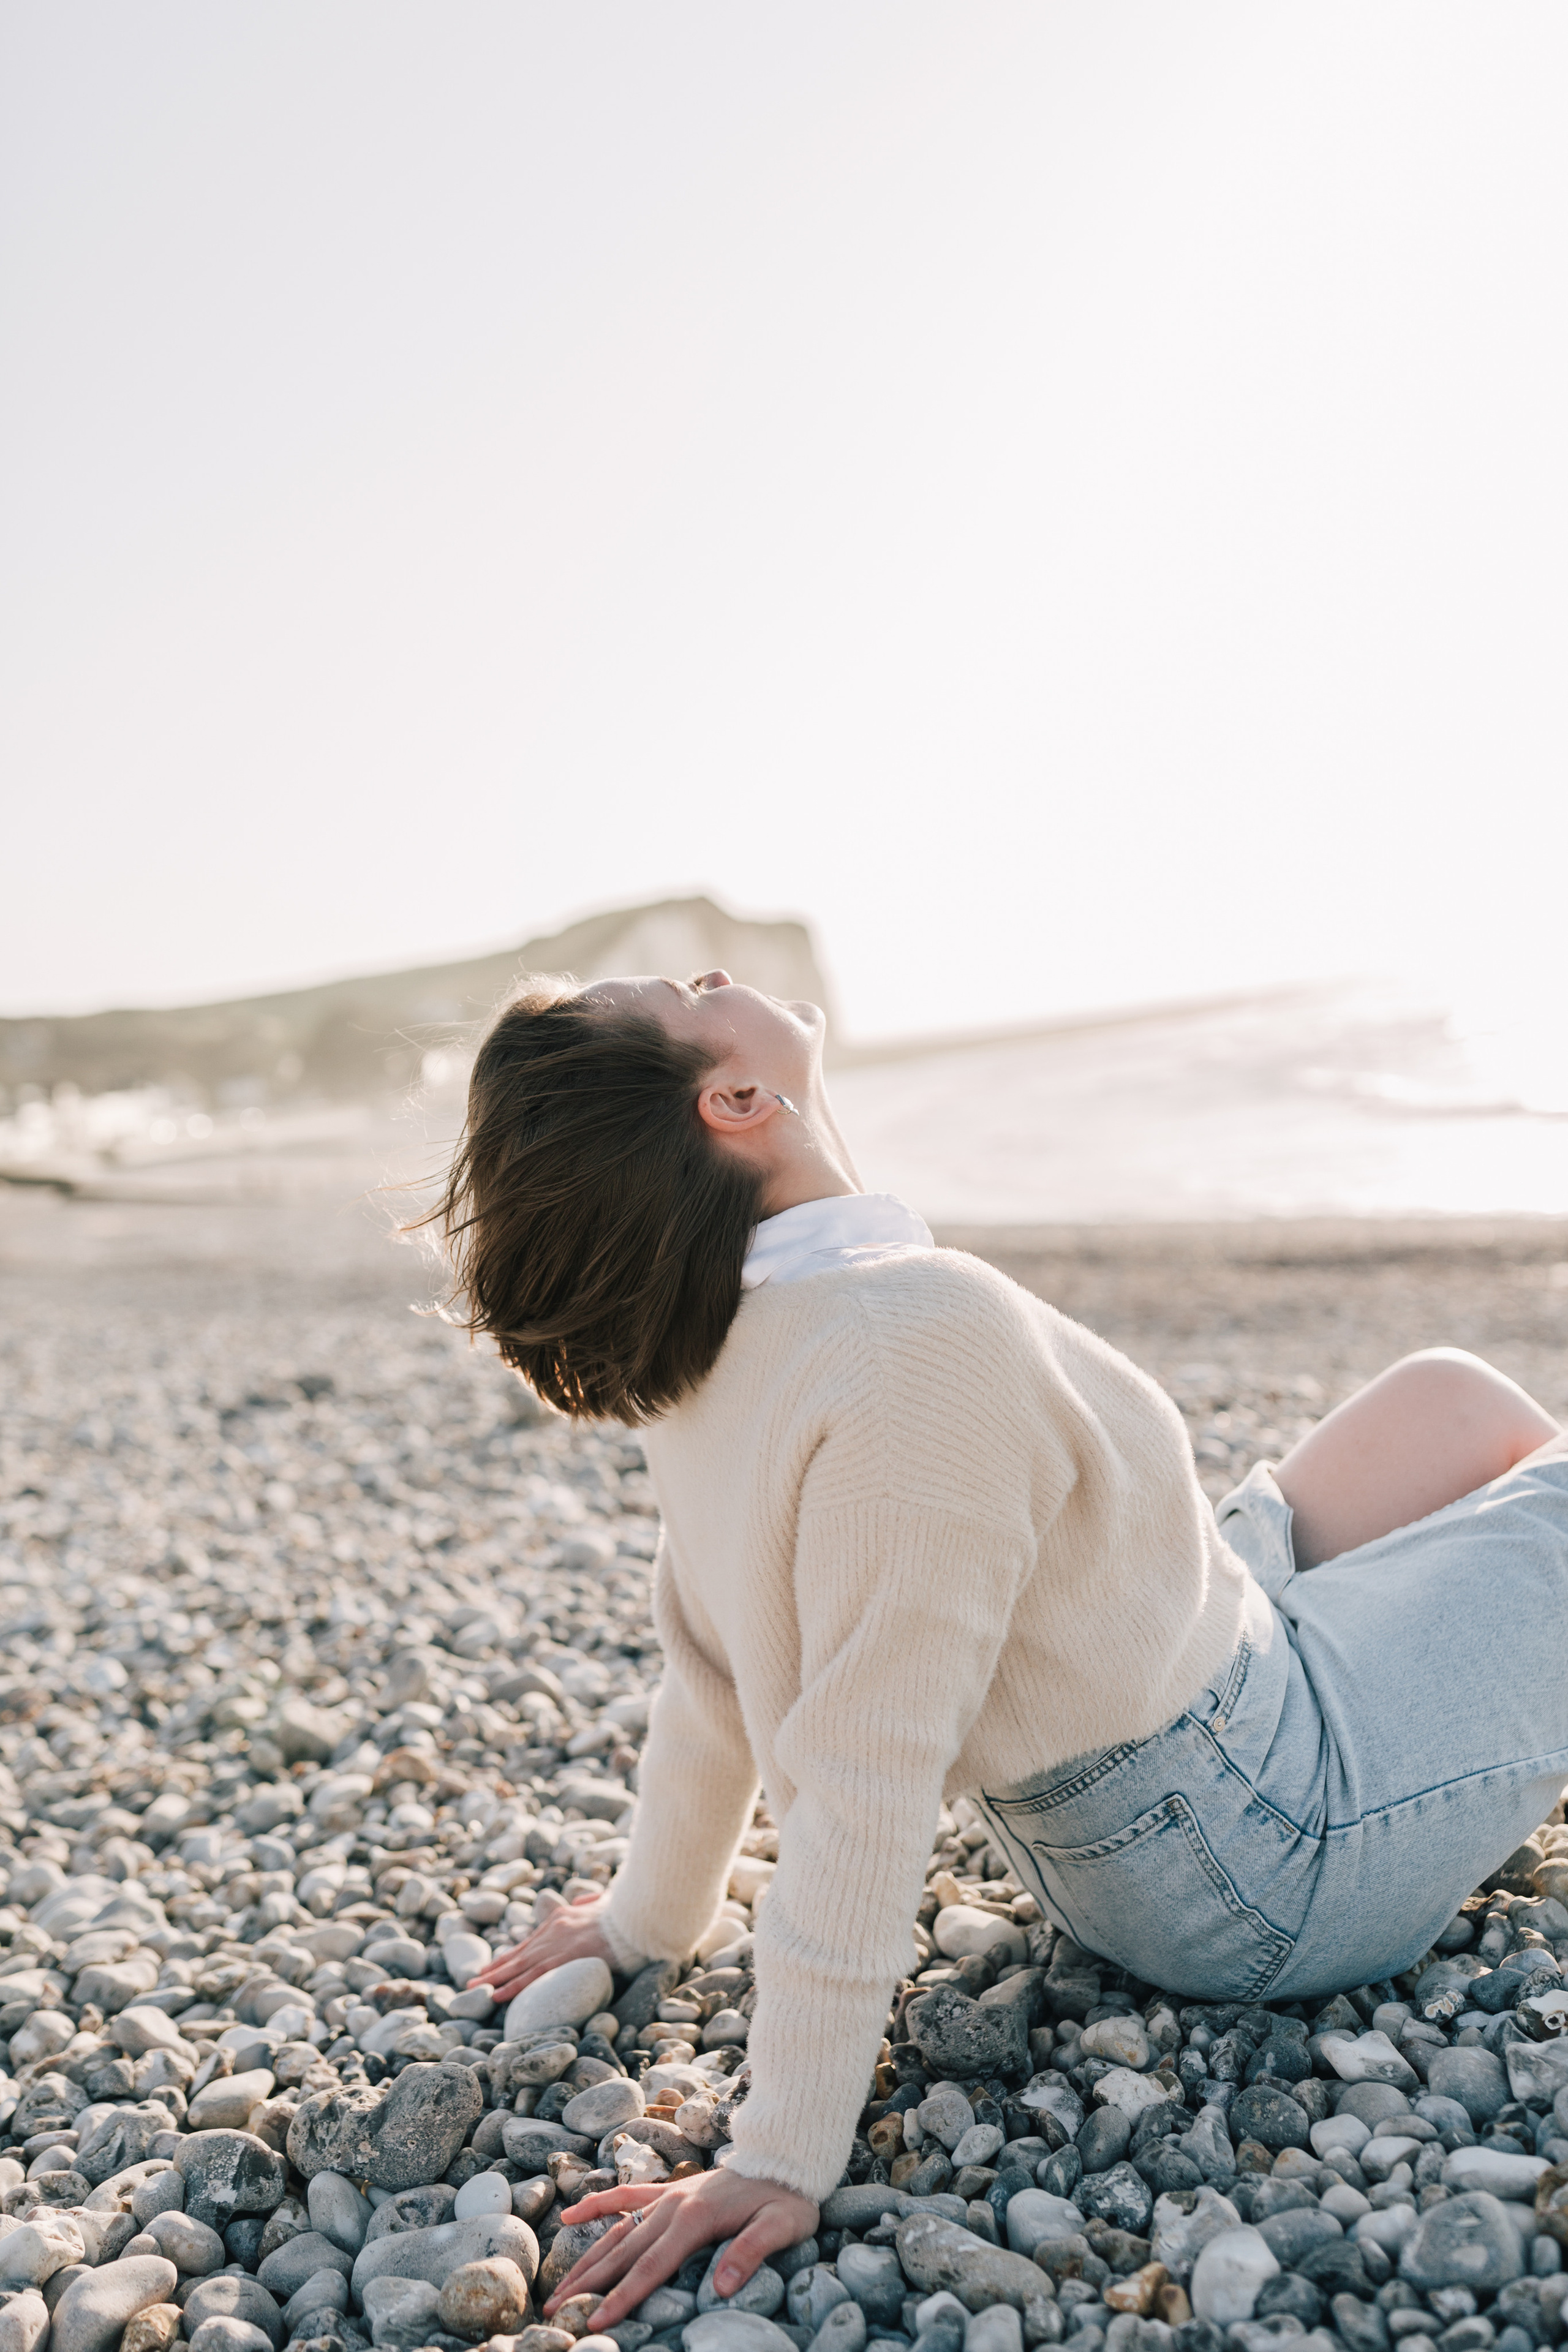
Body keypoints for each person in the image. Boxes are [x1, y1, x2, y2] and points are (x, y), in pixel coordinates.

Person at [424, 967, 1568, 2328]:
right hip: (1261, 1846)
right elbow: (862, 1771)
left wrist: (639, 1924)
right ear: (732, 1101)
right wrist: (778, 2155)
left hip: (1195, 1661)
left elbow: (711, 1672)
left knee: (1451, 1400)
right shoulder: (914, 1342)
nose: (715, 971)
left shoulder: (742, 1341)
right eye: (685, 991)